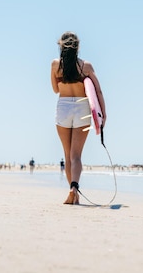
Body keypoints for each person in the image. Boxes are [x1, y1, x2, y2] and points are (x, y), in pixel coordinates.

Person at [51, 31, 106, 205]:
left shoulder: (55, 65)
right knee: (76, 156)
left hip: (64, 107)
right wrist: (103, 114)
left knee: (67, 156)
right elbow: (97, 91)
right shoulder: (86, 66)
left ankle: (72, 190)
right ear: (78, 47)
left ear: (61, 45)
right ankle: (74, 187)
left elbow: (55, 89)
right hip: (83, 107)